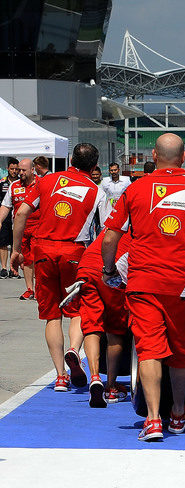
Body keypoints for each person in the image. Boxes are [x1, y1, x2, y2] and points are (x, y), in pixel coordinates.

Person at [101, 133, 185, 442]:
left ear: (153, 154)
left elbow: (110, 237)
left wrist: (109, 270)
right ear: (184, 155)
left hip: (143, 281)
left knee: (149, 349)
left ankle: (152, 419)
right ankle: (177, 413)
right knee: (181, 352)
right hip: (184, 283)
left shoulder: (135, 188)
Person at [11, 143, 107, 392]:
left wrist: (17, 250)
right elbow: (108, 230)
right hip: (74, 251)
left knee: (51, 315)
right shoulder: (97, 191)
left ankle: (61, 376)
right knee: (77, 310)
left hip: (43, 250)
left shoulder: (47, 180)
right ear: (95, 166)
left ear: (70, 160)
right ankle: (74, 349)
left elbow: (21, 213)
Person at [74, 227, 132, 407]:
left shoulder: (115, 222)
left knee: (92, 326)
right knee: (115, 331)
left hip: (86, 266)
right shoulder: (145, 228)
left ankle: (94, 376)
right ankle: (111, 387)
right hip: (111, 270)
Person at [0, 158, 34, 293]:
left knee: (38, 260)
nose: (20, 173)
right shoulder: (14, 186)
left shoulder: (42, 184)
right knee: (25, 259)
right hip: (21, 229)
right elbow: (6, 206)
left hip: (40, 229)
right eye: (19, 170)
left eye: (24, 170)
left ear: (32, 170)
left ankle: (40, 289)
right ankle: (30, 289)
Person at [0, 157, 17, 277]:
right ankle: (4, 268)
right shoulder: (2, 182)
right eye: (12, 169)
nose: (14, 171)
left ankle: (13, 268)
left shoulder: (21, 183)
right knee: (3, 242)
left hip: (17, 216)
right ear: (8, 169)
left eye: (16, 169)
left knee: (15, 243)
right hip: (5, 216)